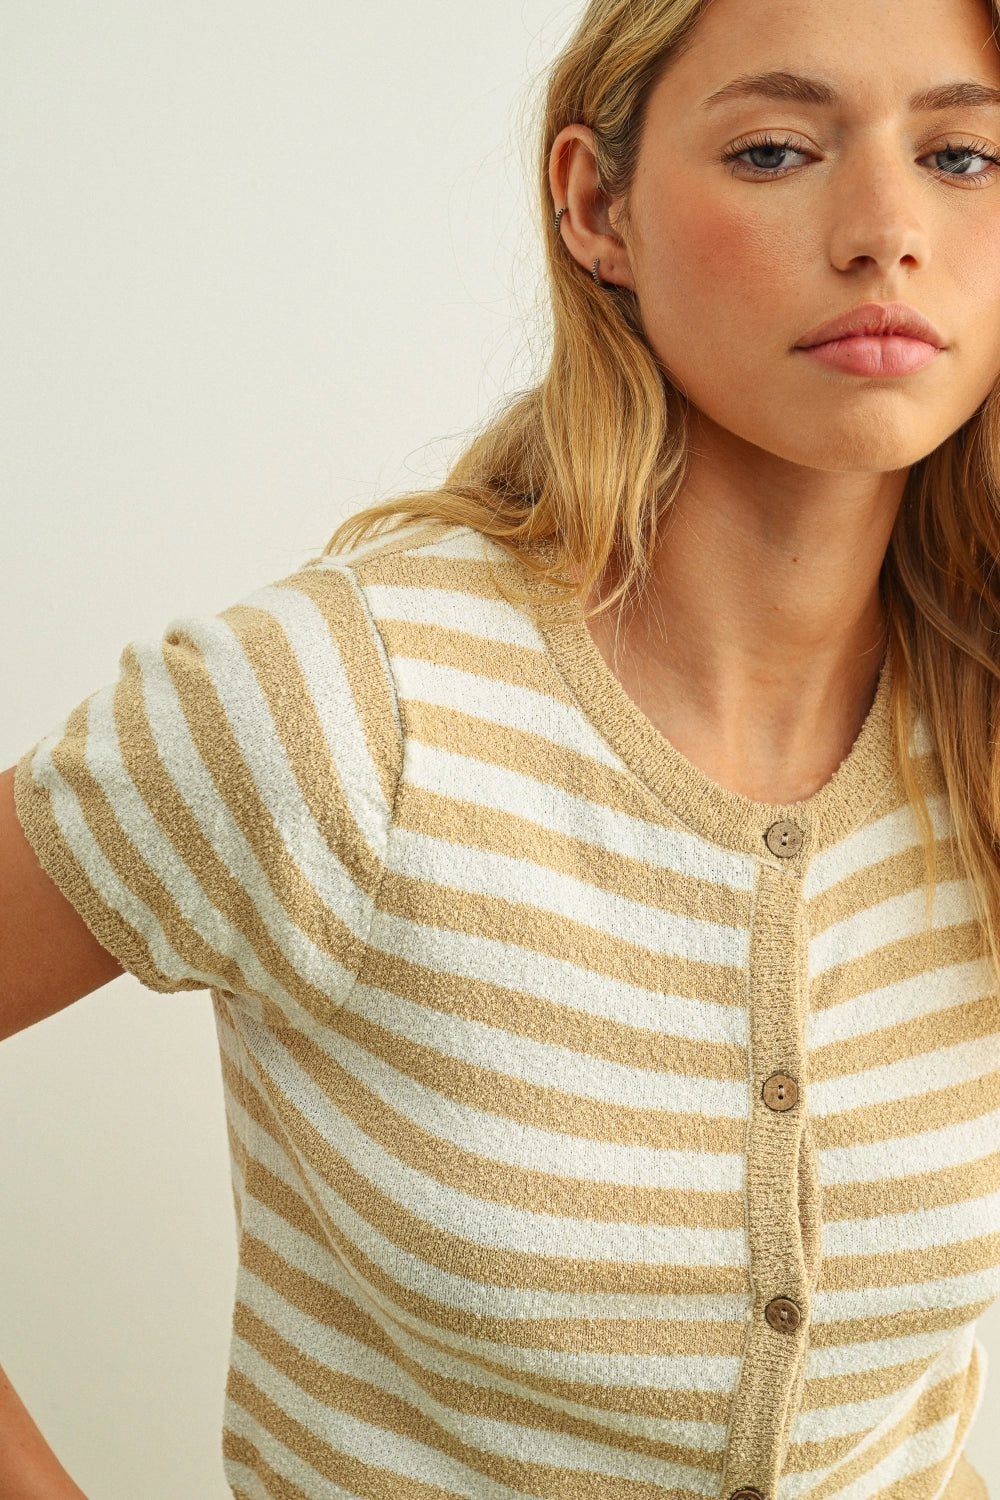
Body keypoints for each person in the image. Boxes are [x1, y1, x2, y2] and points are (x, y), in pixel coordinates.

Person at [4, 0, 1000, 1492]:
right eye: (780, 148)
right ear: (597, 207)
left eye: (965, 156)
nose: (885, 232)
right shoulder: (339, 708)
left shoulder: (977, 731)